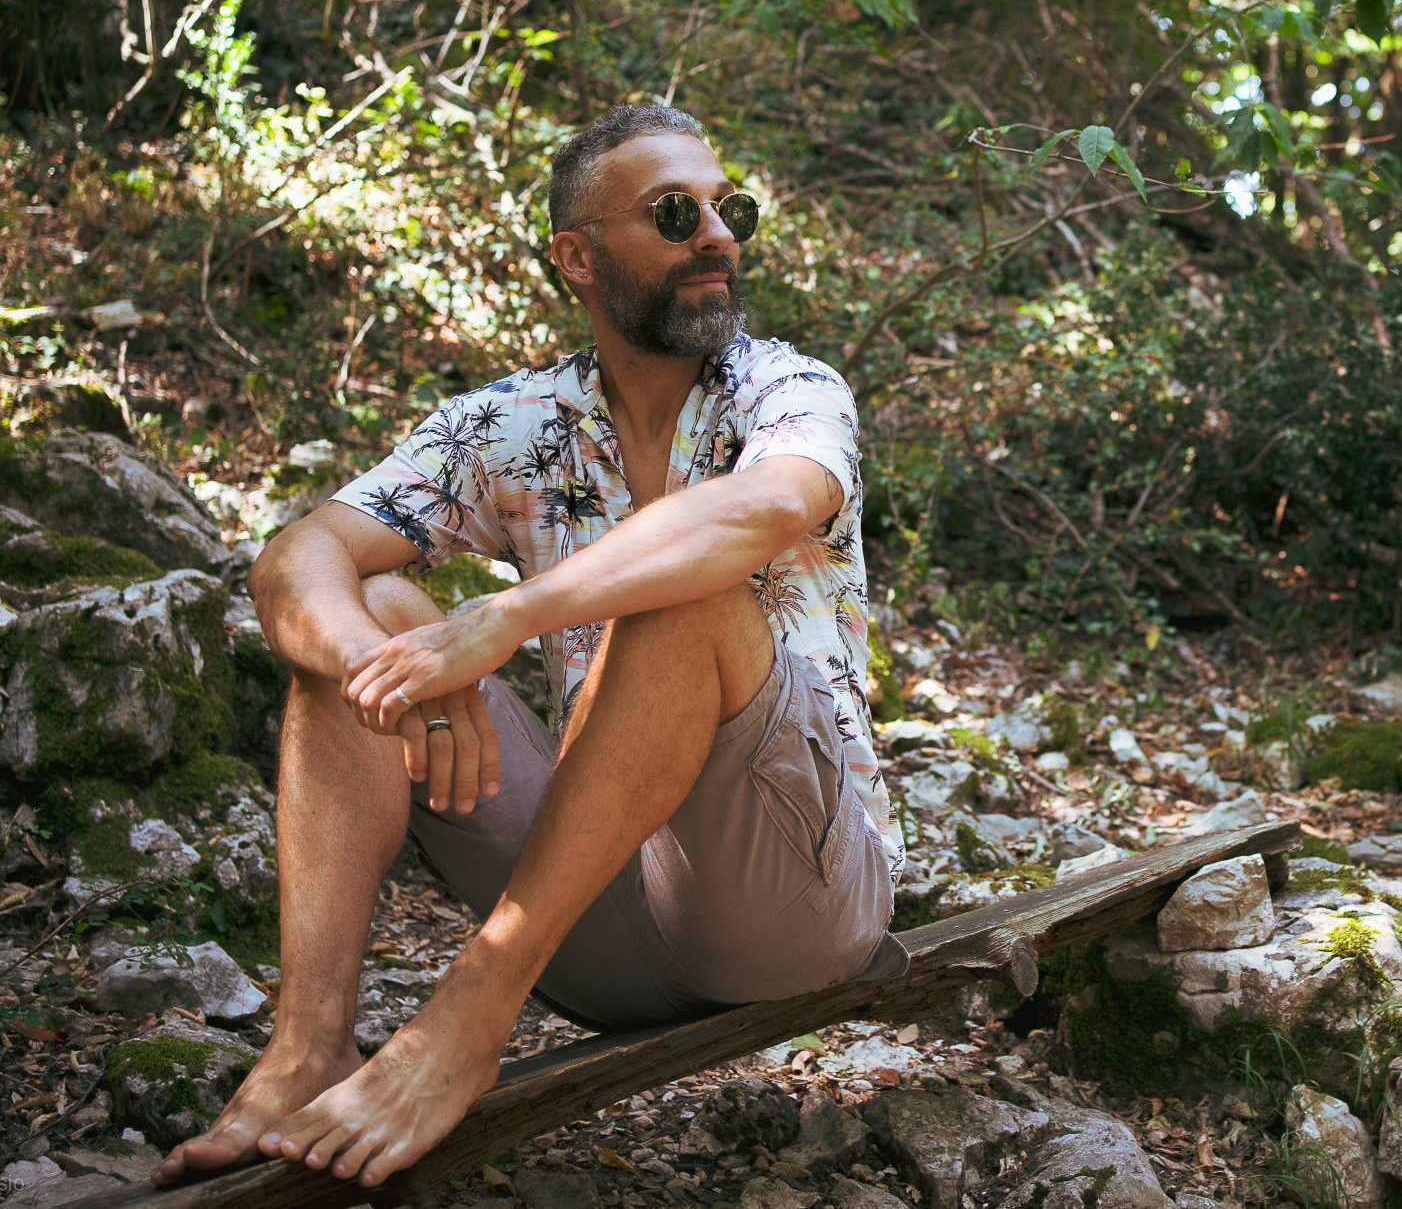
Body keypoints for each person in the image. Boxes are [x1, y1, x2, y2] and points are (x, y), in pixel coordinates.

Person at [153, 105, 907, 1191]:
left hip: (788, 908)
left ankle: (469, 1008)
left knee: (688, 599)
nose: (718, 236)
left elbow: (761, 512)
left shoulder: (787, 390)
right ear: (578, 258)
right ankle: (306, 1045)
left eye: (729, 210)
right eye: (675, 212)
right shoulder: (516, 423)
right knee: (364, 615)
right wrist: (395, 674)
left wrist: (505, 617)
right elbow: (295, 555)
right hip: (603, 927)